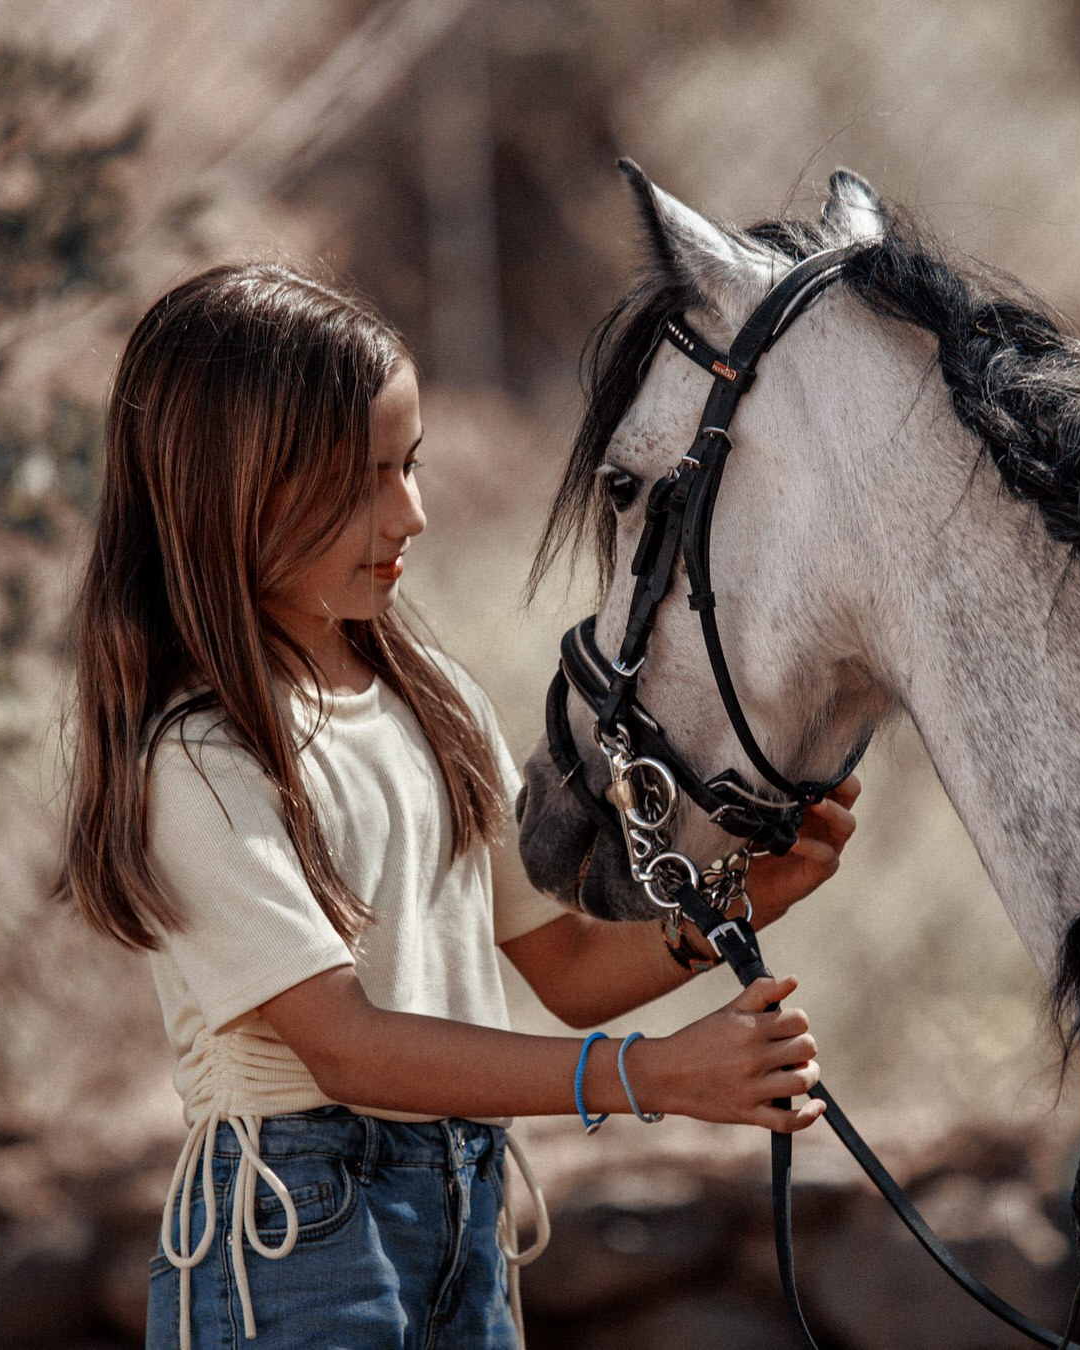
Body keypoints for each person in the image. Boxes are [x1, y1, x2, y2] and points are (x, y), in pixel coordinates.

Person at [53, 261, 859, 1349]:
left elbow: (566, 971)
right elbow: (347, 1048)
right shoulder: (201, 758)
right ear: (229, 491)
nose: (413, 513)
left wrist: (752, 892)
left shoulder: (431, 707)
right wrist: (651, 1077)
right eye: (363, 479)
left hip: (464, 1213)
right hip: (293, 1237)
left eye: (411, 465)